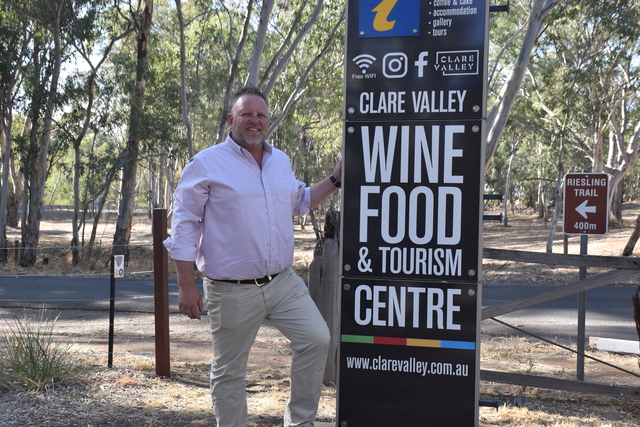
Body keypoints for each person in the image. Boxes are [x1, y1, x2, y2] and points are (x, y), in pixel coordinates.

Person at [164, 86, 342, 427]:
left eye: (261, 115)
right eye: (246, 114)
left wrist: (335, 178)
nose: (254, 121)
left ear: (268, 121)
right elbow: (184, 227)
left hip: (283, 282)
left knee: (316, 339)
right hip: (231, 289)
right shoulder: (206, 164)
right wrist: (186, 286)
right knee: (230, 370)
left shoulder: (280, 161)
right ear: (231, 120)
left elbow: (300, 202)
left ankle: (300, 423)